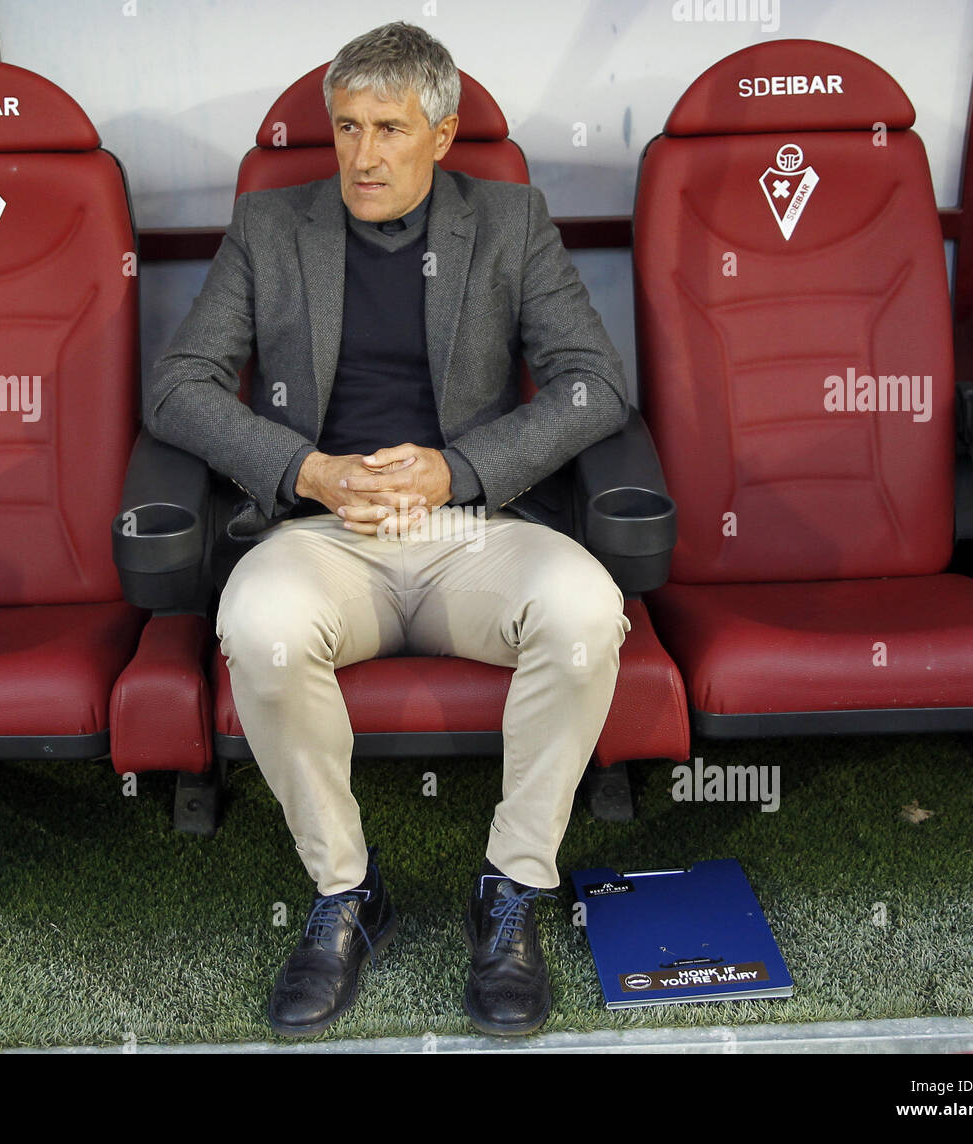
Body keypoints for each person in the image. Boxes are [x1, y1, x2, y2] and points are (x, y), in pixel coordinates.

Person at [146, 21, 631, 1038]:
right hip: (323, 534)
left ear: (443, 136)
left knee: (586, 611)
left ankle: (510, 891)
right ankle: (345, 894)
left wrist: (458, 467)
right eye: (347, 128)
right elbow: (178, 388)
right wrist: (306, 469)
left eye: (390, 130)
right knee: (263, 630)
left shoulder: (511, 220)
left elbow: (597, 385)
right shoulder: (270, 227)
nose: (363, 156)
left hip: (471, 524)